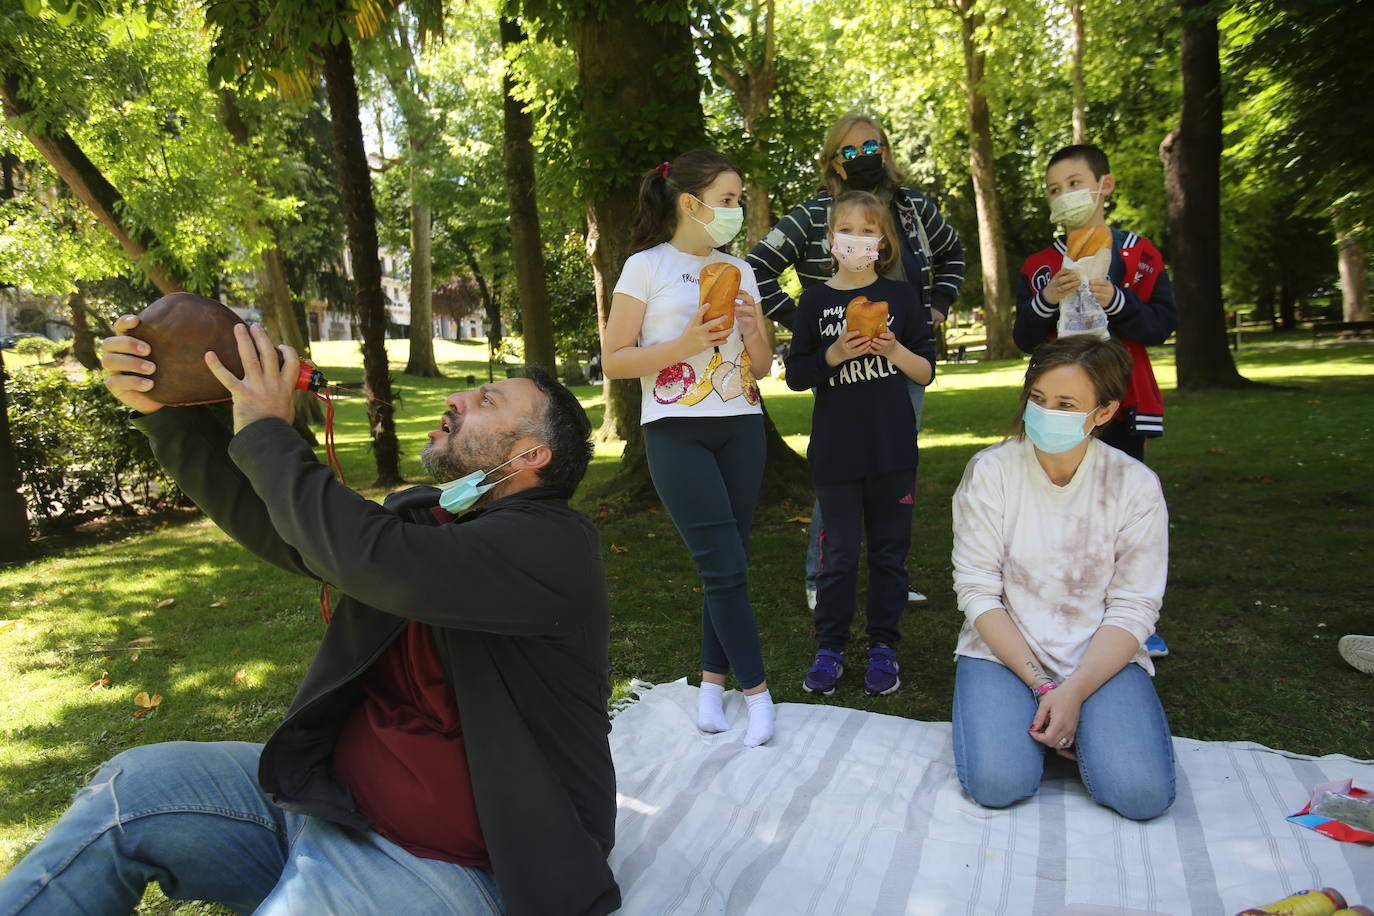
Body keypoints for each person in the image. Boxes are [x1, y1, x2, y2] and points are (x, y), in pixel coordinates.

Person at [0, 317, 620, 915]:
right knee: (131, 789)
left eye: (486, 399)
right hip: (332, 810)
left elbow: (379, 560)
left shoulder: (554, 544)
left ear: (530, 453)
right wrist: (161, 413)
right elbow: (296, 529)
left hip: (461, 865)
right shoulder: (437, 520)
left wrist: (270, 430)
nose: (458, 397)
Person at [950, 335, 1175, 821]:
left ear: (1103, 412)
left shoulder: (1134, 485)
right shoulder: (990, 472)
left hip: (1099, 654)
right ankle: (1052, 728)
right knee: (998, 783)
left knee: (1140, 795)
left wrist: (1074, 691)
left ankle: (1070, 728)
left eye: (1066, 404)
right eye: (1038, 399)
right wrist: (1044, 686)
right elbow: (977, 590)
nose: (1046, 413)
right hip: (1003, 651)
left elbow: (1134, 606)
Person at [748, 112, 965, 611]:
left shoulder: (913, 210)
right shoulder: (814, 214)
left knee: (894, 468)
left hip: (901, 360)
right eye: (848, 150)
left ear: (886, 151)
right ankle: (820, 578)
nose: (863, 156)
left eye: (872, 146)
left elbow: (954, 254)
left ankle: (891, 576)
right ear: (832, 162)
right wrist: (801, 314)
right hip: (839, 365)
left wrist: (936, 309)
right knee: (839, 471)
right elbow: (757, 266)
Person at [601, 149, 777, 746]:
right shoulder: (644, 268)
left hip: (742, 425)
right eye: (728, 201)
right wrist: (685, 342)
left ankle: (709, 687)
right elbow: (615, 359)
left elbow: (760, 366)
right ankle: (758, 696)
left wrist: (755, 332)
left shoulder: (743, 270)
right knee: (722, 566)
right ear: (690, 203)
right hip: (675, 431)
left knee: (728, 563)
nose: (736, 211)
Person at [1013, 142, 1177, 658]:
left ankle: (1131, 615)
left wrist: (1117, 300)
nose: (1065, 196)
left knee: (1119, 509)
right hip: (1058, 409)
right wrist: (1048, 300)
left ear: (1103, 185)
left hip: (1121, 404)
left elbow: (1160, 326)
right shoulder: (1040, 265)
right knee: (1057, 507)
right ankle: (1063, 603)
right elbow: (1022, 334)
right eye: (1055, 190)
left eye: (1075, 184)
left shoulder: (1139, 254)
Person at [785, 191, 935, 697]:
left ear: (882, 242)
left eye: (867, 230)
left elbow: (927, 371)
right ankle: (829, 646)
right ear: (831, 240)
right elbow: (797, 376)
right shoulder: (813, 300)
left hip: (893, 450)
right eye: (846, 229)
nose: (856, 238)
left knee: (890, 556)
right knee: (840, 556)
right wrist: (832, 353)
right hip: (836, 454)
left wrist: (894, 348)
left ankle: (882, 647)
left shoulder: (903, 298)